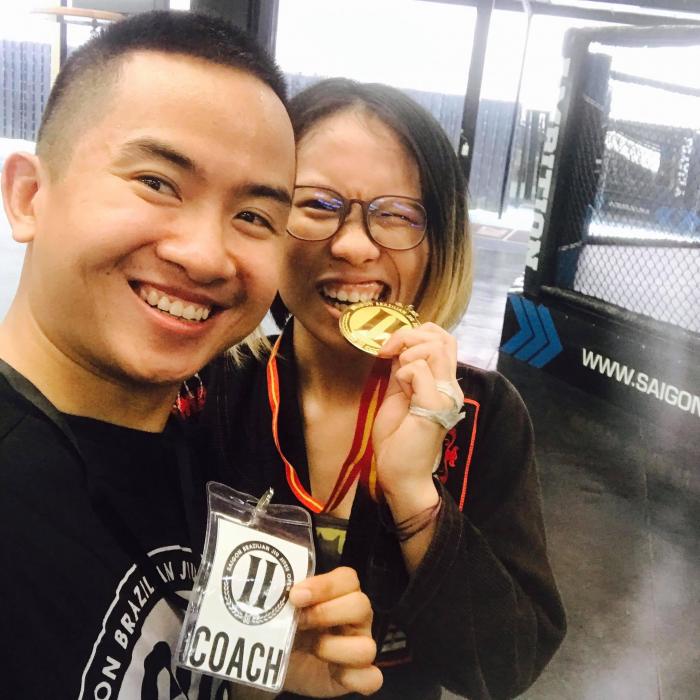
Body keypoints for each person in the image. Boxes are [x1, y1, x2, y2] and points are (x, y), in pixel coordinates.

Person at [0, 14, 381, 700]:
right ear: (29, 195)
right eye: (157, 182)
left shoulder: (193, 453)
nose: (206, 256)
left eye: (254, 217)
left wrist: (254, 681)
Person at [202, 78, 567, 700]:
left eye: (395, 215)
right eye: (317, 205)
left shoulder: (482, 415)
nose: (352, 245)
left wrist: (414, 495)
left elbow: (507, 664)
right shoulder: (209, 389)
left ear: (437, 244)